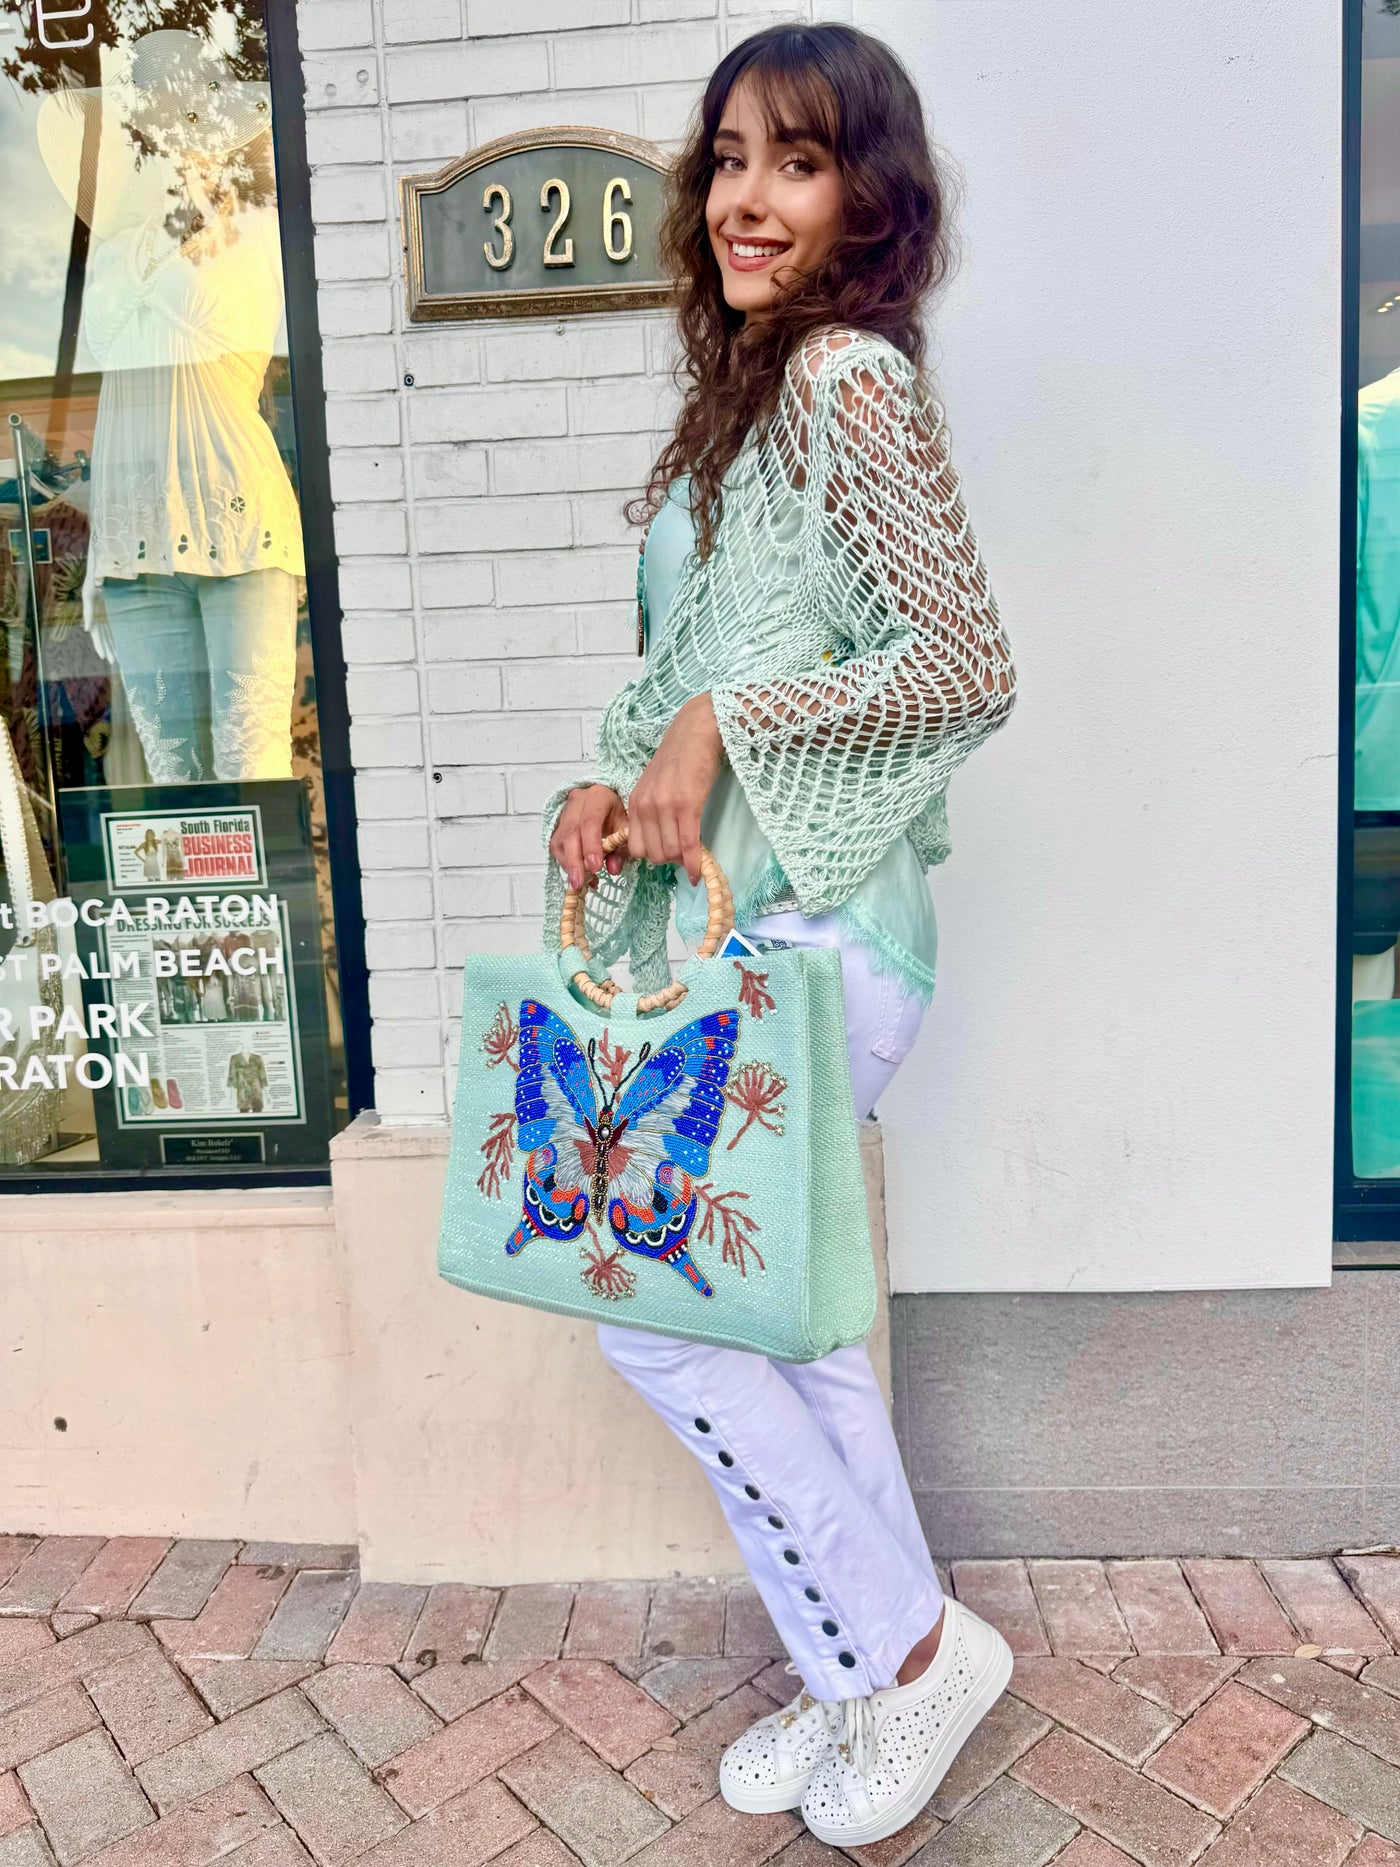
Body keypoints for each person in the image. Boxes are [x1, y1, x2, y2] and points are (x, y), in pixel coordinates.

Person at [546, 23, 1017, 1850]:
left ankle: (891, 1666)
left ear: (867, 195)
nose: (748, 196)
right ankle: (885, 1669)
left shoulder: (848, 386)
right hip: (736, 940)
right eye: (730, 155)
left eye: (798, 162)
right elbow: (698, 665)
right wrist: (611, 780)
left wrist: (725, 732)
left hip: (823, 929)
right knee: (795, 1337)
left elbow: (963, 663)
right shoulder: (746, 406)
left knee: (660, 1316)